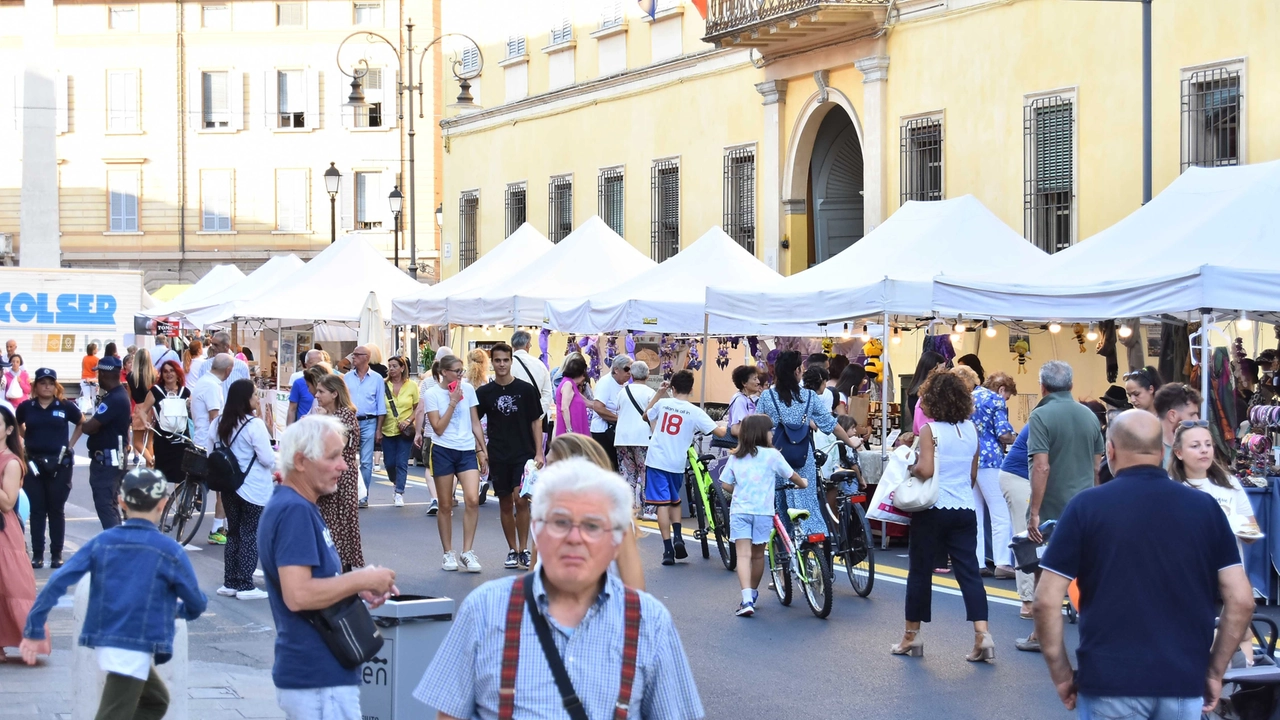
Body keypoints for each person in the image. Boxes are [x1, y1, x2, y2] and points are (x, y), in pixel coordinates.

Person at [413, 458, 704, 720]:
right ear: (537, 530)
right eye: (561, 522)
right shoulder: (485, 610)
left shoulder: (649, 623)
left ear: (615, 540)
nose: (574, 538)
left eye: (592, 526)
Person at [1033, 410, 1254, 719]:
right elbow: (1242, 601)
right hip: (1182, 681)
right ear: (1163, 451)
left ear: (1110, 449)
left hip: (1109, 680)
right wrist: (1214, 671)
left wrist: (1062, 674)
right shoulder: (1204, 508)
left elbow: (1045, 601)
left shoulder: (1086, 507)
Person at [20, 466, 206, 718]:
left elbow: (57, 582)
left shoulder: (103, 542)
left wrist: (34, 627)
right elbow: (196, 602)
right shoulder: (169, 550)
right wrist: (178, 610)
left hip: (109, 637)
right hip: (134, 643)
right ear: (163, 504)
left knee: (155, 701)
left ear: (121, 502)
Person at [258, 416, 398, 720]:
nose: (344, 466)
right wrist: (361, 577)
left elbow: (311, 583)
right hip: (317, 678)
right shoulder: (294, 510)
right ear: (300, 461)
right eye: (333, 456)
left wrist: (354, 586)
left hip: (319, 675)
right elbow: (298, 594)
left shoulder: (299, 505)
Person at [892, 371, 994, 663]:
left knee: (920, 572)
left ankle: (912, 635)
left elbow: (926, 470)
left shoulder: (931, 431)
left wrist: (909, 466)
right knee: (969, 573)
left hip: (932, 509)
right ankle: (982, 634)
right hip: (964, 508)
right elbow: (972, 475)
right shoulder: (971, 430)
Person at [1019, 360, 1105, 653]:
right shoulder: (1089, 416)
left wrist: (1034, 512)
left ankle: (1040, 635)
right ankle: (1097, 634)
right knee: (1088, 571)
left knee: (1044, 569)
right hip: (1085, 505)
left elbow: (1041, 467)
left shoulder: (1041, 415)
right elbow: (1097, 468)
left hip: (1052, 506)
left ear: (1042, 387)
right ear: (1070, 385)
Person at [755, 351, 863, 548]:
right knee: (808, 502)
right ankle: (816, 547)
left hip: (775, 460)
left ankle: (786, 555)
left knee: (780, 505)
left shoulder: (767, 396)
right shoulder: (809, 396)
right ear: (797, 372)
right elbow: (832, 425)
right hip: (802, 458)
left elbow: (756, 428)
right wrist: (850, 442)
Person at [719, 414, 805, 617]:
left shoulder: (736, 456)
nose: (772, 433)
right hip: (763, 512)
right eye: (770, 430)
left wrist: (739, 492)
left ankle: (746, 598)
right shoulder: (773, 456)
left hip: (740, 511)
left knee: (742, 555)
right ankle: (753, 594)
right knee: (758, 556)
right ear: (762, 433)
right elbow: (792, 475)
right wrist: (804, 484)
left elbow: (724, 484)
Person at [643, 370, 729, 566]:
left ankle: (667, 549)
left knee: (662, 505)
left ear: (672, 388)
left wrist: (658, 393)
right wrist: (730, 428)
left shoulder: (664, 403)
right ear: (691, 389)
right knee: (674, 501)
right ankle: (679, 537)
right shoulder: (695, 411)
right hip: (677, 463)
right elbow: (720, 432)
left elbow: (645, 416)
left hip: (656, 459)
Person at [475, 343, 544, 571]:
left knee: (521, 499)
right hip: (498, 453)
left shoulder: (525, 390)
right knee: (505, 503)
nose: (502, 364)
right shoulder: (484, 393)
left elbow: (536, 421)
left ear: (511, 361)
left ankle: (524, 549)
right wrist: (481, 451)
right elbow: (474, 423)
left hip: (523, 453)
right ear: (492, 362)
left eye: (505, 360)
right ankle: (512, 550)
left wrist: (539, 451)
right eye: (497, 360)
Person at [423, 353, 487, 572]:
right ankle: (447, 553)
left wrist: (482, 450)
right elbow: (438, 428)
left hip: (467, 449)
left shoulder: (468, 389)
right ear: (443, 372)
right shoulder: (432, 393)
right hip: (443, 449)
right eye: (457, 371)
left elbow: (475, 421)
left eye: (462, 371)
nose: (461, 375)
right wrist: (451, 402)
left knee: (472, 499)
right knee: (445, 504)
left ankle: (467, 551)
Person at [16, 368, 84, 569]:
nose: (47, 386)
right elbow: (17, 424)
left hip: (58, 464)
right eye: (43, 382)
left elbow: (82, 423)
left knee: (56, 509)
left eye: (51, 383)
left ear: (56, 386)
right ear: (35, 386)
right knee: (37, 510)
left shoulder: (64, 406)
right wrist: (26, 440)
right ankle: (38, 554)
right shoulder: (27, 407)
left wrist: (70, 446)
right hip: (34, 464)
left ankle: (56, 554)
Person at [213, 380, 274, 601]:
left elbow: (212, 449)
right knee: (250, 533)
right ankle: (246, 585)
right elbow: (267, 459)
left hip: (229, 486)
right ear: (245, 399)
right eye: (255, 395)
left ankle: (230, 582)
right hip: (253, 488)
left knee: (234, 534)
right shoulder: (254, 425)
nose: (258, 399)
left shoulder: (219, 422)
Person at [960, 367, 1016, 578]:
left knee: (976, 513)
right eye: (1008, 396)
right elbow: (1003, 434)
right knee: (1000, 512)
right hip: (990, 459)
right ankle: (1003, 562)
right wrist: (1017, 437)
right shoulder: (996, 400)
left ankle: (977, 560)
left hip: (970, 457)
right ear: (1002, 389)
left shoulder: (969, 396)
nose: (1006, 400)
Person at [308, 372, 366, 571]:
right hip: (331, 475)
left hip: (341, 477)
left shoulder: (344, 416)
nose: (317, 395)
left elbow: (334, 448)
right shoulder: (331, 415)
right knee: (330, 521)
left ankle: (339, 568)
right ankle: (334, 565)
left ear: (335, 394)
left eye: (321, 392)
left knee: (338, 523)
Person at [0, 406, 44, 656]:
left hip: (3, 532)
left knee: (8, 587)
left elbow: (7, 502)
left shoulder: (12, 462)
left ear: (8, 430)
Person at [82, 355, 133, 530]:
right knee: (110, 504)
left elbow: (89, 427)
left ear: (103, 374)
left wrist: (85, 424)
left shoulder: (114, 398)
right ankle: (117, 541)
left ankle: (116, 545)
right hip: (112, 458)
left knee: (105, 504)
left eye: (99, 373)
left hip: (108, 460)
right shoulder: (118, 396)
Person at [193, 354, 232, 544]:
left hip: (200, 438)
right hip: (210, 442)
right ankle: (217, 529)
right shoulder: (212, 387)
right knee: (223, 487)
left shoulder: (203, 381)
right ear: (228, 371)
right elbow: (215, 418)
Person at [999, 424, 1036, 618]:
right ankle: (1028, 600)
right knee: (1027, 533)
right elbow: (1042, 463)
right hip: (1019, 476)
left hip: (1031, 475)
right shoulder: (1043, 419)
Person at [140, 360, 191, 493]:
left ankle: (180, 508)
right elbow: (143, 410)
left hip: (182, 438)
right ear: (161, 375)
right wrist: (145, 421)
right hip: (163, 439)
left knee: (181, 475)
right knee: (161, 473)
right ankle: (160, 506)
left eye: (172, 370)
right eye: (165, 371)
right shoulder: (155, 391)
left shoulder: (185, 392)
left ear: (177, 372)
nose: (169, 374)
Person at [344, 345, 386, 507]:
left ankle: (363, 496)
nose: (352, 358)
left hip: (369, 421)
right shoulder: (347, 377)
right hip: (350, 420)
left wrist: (379, 429)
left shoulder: (376, 379)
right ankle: (350, 493)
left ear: (366, 358)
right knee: (347, 459)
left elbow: (380, 405)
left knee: (366, 461)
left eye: (356, 355)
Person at [414, 347, 454, 517]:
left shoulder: (428, 382)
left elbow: (420, 409)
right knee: (452, 469)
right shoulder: (458, 383)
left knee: (430, 467)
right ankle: (447, 500)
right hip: (452, 433)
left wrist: (417, 432)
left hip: (431, 432)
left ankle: (434, 498)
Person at [615, 360, 656, 511]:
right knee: (645, 473)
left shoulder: (622, 392)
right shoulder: (651, 393)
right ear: (647, 375)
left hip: (622, 437)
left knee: (627, 473)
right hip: (643, 437)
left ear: (631, 374)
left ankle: (628, 507)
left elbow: (618, 411)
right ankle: (648, 508)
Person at [381, 355, 419, 508]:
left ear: (402, 368)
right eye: (389, 366)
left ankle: (399, 492)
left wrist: (409, 420)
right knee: (389, 463)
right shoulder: (383, 385)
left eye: (394, 366)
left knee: (401, 462)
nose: (391, 369)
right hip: (387, 429)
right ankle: (395, 481)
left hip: (405, 431)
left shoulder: (412, 386)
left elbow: (418, 408)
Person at [587, 355, 629, 470]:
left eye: (631, 369)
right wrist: (619, 419)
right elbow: (598, 407)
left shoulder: (624, 384)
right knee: (607, 467)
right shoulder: (606, 382)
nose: (629, 373)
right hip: (603, 431)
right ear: (616, 369)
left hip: (616, 431)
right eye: (627, 369)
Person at [1154, 383, 1203, 467]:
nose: (1197, 420)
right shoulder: (1148, 451)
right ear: (1172, 415)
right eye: (1191, 414)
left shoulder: (1200, 446)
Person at [510, 330, 553, 417]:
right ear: (527, 345)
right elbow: (547, 393)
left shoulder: (507, 365)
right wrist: (539, 413)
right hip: (535, 413)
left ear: (512, 345)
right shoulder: (539, 364)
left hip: (513, 415)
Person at [128, 347, 157, 465]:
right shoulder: (154, 374)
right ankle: (150, 468)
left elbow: (129, 397)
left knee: (138, 443)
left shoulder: (131, 376)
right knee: (149, 441)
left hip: (139, 408)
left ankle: (151, 461)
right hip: (152, 408)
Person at [906, 350, 948, 426]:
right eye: (942, 369)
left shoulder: (913, 392)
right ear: (933, 369)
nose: (944, 372)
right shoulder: (930, 393)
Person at [553, 354, 590, 437]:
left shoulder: (571, 385)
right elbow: (564, 408)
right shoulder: (568, 384)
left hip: (575, 428)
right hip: (572, 429)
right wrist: (569, 430)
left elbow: (588, 402)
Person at [287, 349, 324, 425]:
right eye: (314, 363)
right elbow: (292, 409)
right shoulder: (299, 383)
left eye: (320, 363)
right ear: (306, 365)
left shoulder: (330, 382)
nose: (317, 366)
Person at [725, 364, 761, 437]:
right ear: (744, 383)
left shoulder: (746, 398)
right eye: (755, 379)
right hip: (740, 446)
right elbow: (735, 430)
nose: (758, 382)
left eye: (757, 378)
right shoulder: (740, 400)